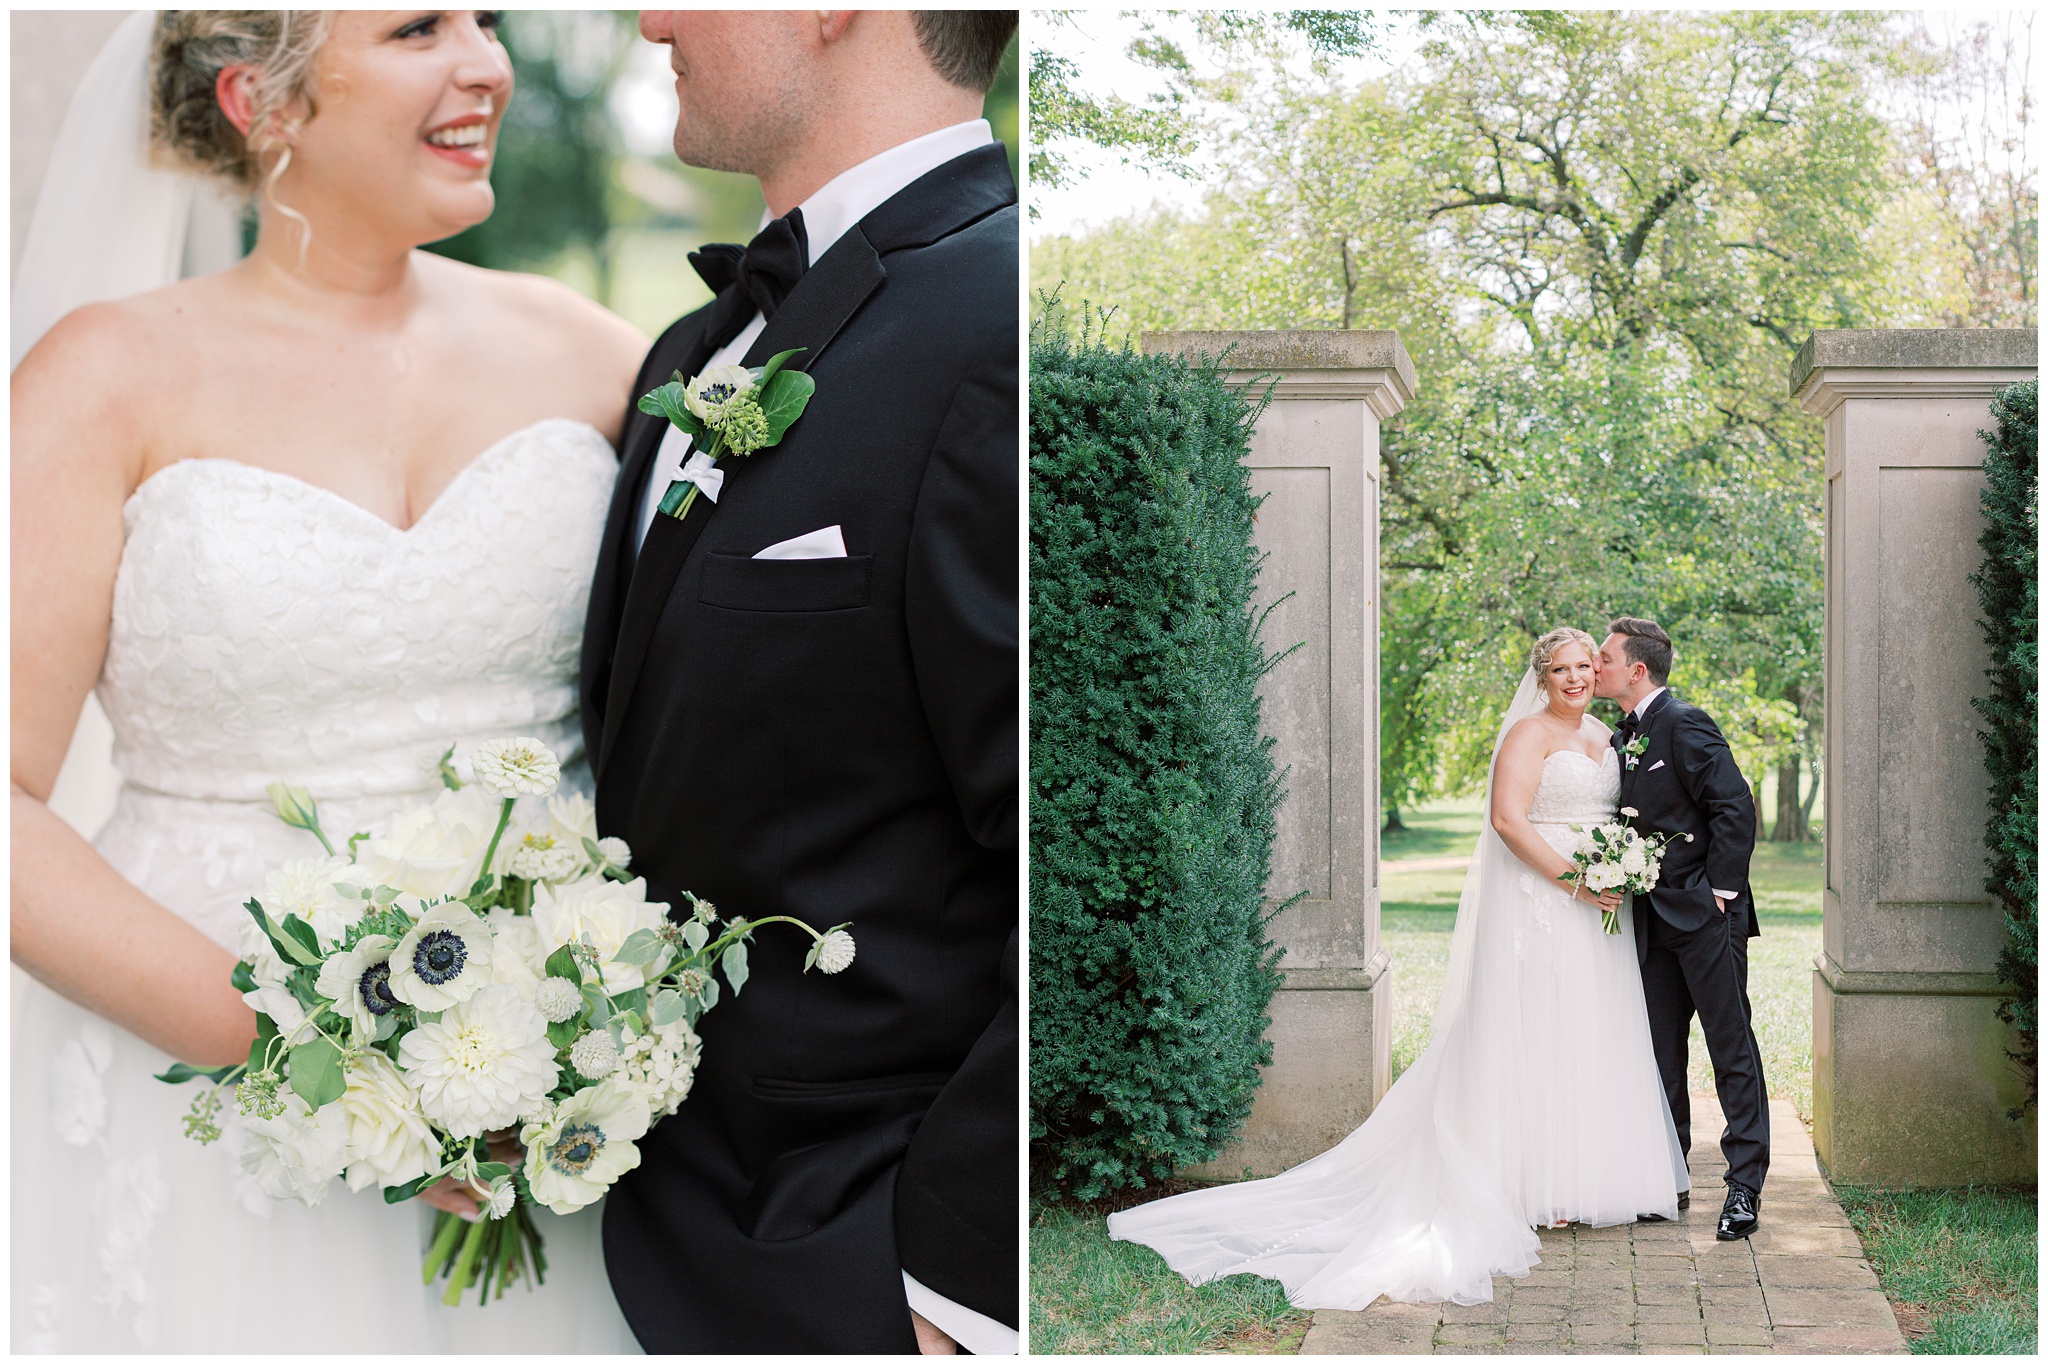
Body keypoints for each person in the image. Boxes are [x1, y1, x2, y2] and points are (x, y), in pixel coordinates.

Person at [11, 10, 647, 1351]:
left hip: (553, 1093)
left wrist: (579, 1030)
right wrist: (320, 1060)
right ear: (263, 101)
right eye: (420, 27)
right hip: (204, 1091)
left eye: (482, 21)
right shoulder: (101, 379)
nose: (487, 63)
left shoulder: (596, 357)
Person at [582, 10, 1019, 1355]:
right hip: (634, 1237)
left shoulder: (1000, 319)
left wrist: (954, 1290)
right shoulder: (685, 354)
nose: (652, 18)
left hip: (851, 1271)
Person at [1108, 628, 1686, 1309]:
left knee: (1586, 1031)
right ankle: (1529, 1182)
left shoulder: (1606, 734)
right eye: (1560, 668)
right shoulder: (1528, 736)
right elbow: (1507, 820)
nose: (1574, 678)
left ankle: (1585, 1178)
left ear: (1599, 671)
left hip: (1599, 911)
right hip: (1548, 902)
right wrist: (1576, 881)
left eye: (1585, 666)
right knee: (1535, 1030)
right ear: (1542, 675)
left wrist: (1618, 867)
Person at [1593, 616, 1767, 1240]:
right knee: (1661, 1052)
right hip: (1650, 918)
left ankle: (1743, 1186)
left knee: (1731, 1049)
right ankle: (1670, 1174)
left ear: (1637, 670)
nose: (1596, 665)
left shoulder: (1685, 722)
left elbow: (1733, 804)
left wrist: (1720, 893)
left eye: (1605, 657)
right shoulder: (1624, 733)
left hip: (1705, 915)